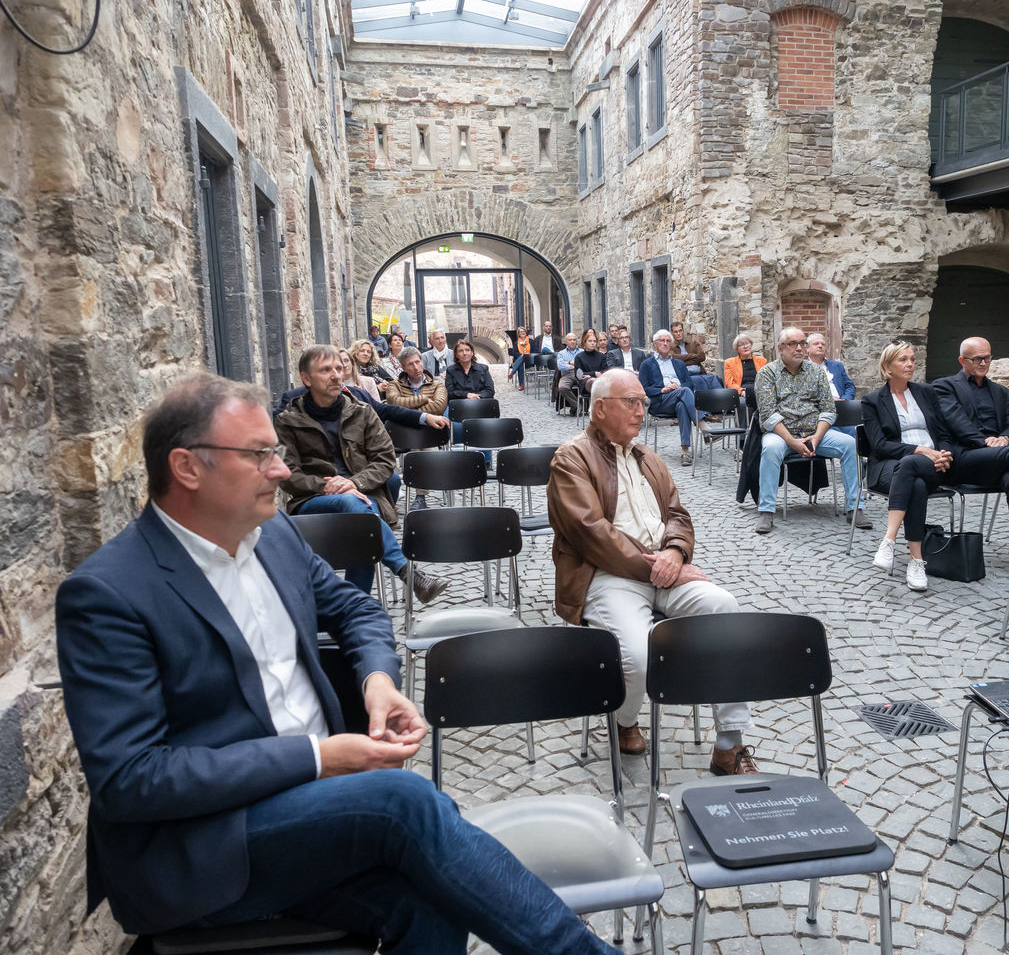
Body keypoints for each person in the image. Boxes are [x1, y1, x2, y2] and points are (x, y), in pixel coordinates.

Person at [54, 373, 622, 955]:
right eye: (260, 455)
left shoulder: (272, 533)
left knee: (429, 897)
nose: (281, 470)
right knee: (404, 803)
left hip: (314, 812)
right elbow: (131, 781)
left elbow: (355, 609)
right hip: (207, 845)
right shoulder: (108, 593)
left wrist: (377, 680)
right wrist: (317, 757)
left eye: (277, 451)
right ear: (187, 468)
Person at [546, 369, 757, 775]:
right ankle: (625, 721)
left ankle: (729, 744)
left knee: (726, 608)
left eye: (643, 402)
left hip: (664, 569)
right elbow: (592, 534)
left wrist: (676, 553)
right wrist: (660, 567)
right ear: (601, 407)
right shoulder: (570, 458)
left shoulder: (649, 458)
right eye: (632, 402)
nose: (642, 411)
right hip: (606, 576)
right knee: (638, 656)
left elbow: (678, 515)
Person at [276, 345, 447, 604]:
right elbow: (286, 474)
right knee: (356, 508)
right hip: (311, 500)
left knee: (361, 528)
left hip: (362, 496)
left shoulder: (361, 411)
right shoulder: (290, 419)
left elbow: (385, 459)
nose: (335, 374)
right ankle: (405, 572)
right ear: (306, 378)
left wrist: (353, 482)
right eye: (325, 370)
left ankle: (353, 609)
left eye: (337, 368)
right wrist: (326, 487)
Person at [933, 336, 1009, 588]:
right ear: (962, 360)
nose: (984, 363)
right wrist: (988, 443)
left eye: (987, 357)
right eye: (977, 358)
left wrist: (1005, 438)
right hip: (963, 460)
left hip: (996, 462)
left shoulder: (1000, 391)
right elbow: (956, 424)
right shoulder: (944, 387)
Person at [861, 341, 959, 592]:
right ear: (887, 366)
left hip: (933, 465)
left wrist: (944, 453)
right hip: (888, 467)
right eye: (903, 360)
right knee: (912, 477)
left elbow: (943, 432)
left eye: (912, 359)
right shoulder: (873, 400)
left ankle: (889, 540)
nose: (910, 364)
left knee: (913, 469)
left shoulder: (926, 393)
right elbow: (880, 445)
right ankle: (916, 560)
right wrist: (920, 450)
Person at [752, 328, 866, 533]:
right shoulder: (767, 373)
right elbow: (768, 415)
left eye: (802, 343)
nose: (799, 348)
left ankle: (855, 506)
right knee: (770, 449)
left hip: (815, 432)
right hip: (782, 433)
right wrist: (792, 442)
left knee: (849, 444)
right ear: (780, 348)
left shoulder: (816, 372)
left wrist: (817, 437)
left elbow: (829, 410)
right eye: (792, 344)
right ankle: (766, 511)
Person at [639, 329, 701, 467]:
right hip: (660, 401)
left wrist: (678, 387)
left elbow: (689, 384)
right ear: (655, 343)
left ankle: (685, 451)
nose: (665, 344)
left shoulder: (679, 364)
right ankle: (702, 423)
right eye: (662, 340)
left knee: (682, 405)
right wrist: (662, 389)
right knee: (684, 392)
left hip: (679, 397)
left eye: (668, 341)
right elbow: (643, 388)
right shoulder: (647, 364)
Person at [806, 333, 857, 436]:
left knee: (856, 431)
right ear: (807, 348)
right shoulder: (802, 369)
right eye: (816, 344)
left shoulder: (837, 366)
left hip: (841, 407)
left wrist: (845, 399)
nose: (820, 346)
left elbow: (850, 386)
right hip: (819, 411)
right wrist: (828, 401)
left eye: (823, 344)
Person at [384, 346, 448, 420]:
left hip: (430, 428)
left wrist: (406, 413)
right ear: (403, 368)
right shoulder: (394, 385)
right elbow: (393, 404)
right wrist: (424, 399)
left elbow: (438, 408)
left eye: (417, 362)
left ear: (422, 362)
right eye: (410, 364)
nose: (416, 367)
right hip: (403, 428)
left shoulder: (437, 384)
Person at [670, 321, 718, 391]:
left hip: (700, 373)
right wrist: (693, 356)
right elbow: (674, 358)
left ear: (683, 331)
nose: (678, 333)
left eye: (680, 331)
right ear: (672, 333)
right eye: (676, 332)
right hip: (686, 376)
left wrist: (684, 360)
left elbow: (702, 357)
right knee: (699, 381)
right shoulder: (670, 347)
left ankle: (722, 399)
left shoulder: (693, 343)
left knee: (714, 379)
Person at [574, 328, 609, 397]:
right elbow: (578, 374)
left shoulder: (601, 356)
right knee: (592, 381)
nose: (592, 343)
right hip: (585, 383)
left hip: (600, 381)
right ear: (585, 342)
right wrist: (594, 373)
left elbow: (605, 371)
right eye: (590, 341)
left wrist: (591, 374)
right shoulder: (579, 357)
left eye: (594, 341)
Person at [554, 331, 582, 413]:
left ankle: (578, 407)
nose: (572, 341)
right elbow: (560, 366)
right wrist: (573, 365)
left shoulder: (582, 351)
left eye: (574, 339)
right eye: (570, 340)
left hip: (580, 374)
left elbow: (583, 365)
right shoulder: (561, 353)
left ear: (576, 341)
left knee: (588, 385)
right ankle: (576, 405)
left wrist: (568, 363)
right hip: (567, 375)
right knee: (562, 387)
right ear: (566, 341)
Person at [507, 324, 532, 390]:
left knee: (522, 358)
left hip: (530, 360)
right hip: (521, 361)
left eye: (523, 331)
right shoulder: (516, 343)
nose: (522, 333)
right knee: (520, 365)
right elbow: (515, 353)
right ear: (518, 334)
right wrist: (522, 355)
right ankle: (521, 385)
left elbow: (535, 350)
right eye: (521, 332)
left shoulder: (531, 341)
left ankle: (512, 372)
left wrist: (528, 354)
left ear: (526, 332)